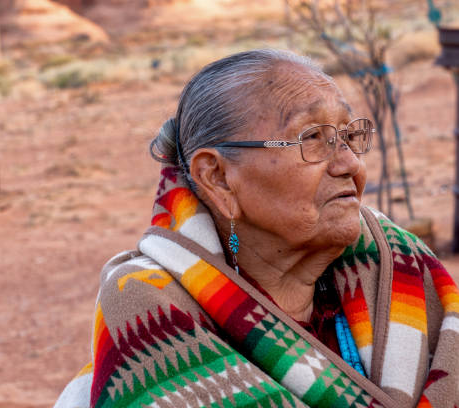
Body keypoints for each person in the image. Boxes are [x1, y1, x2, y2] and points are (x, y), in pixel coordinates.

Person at [55, 49, 459, 408]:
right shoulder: (151, 313)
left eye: (349, 136)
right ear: (217, 177)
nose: (350, 164)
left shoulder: (401, 263)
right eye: (314, 138)